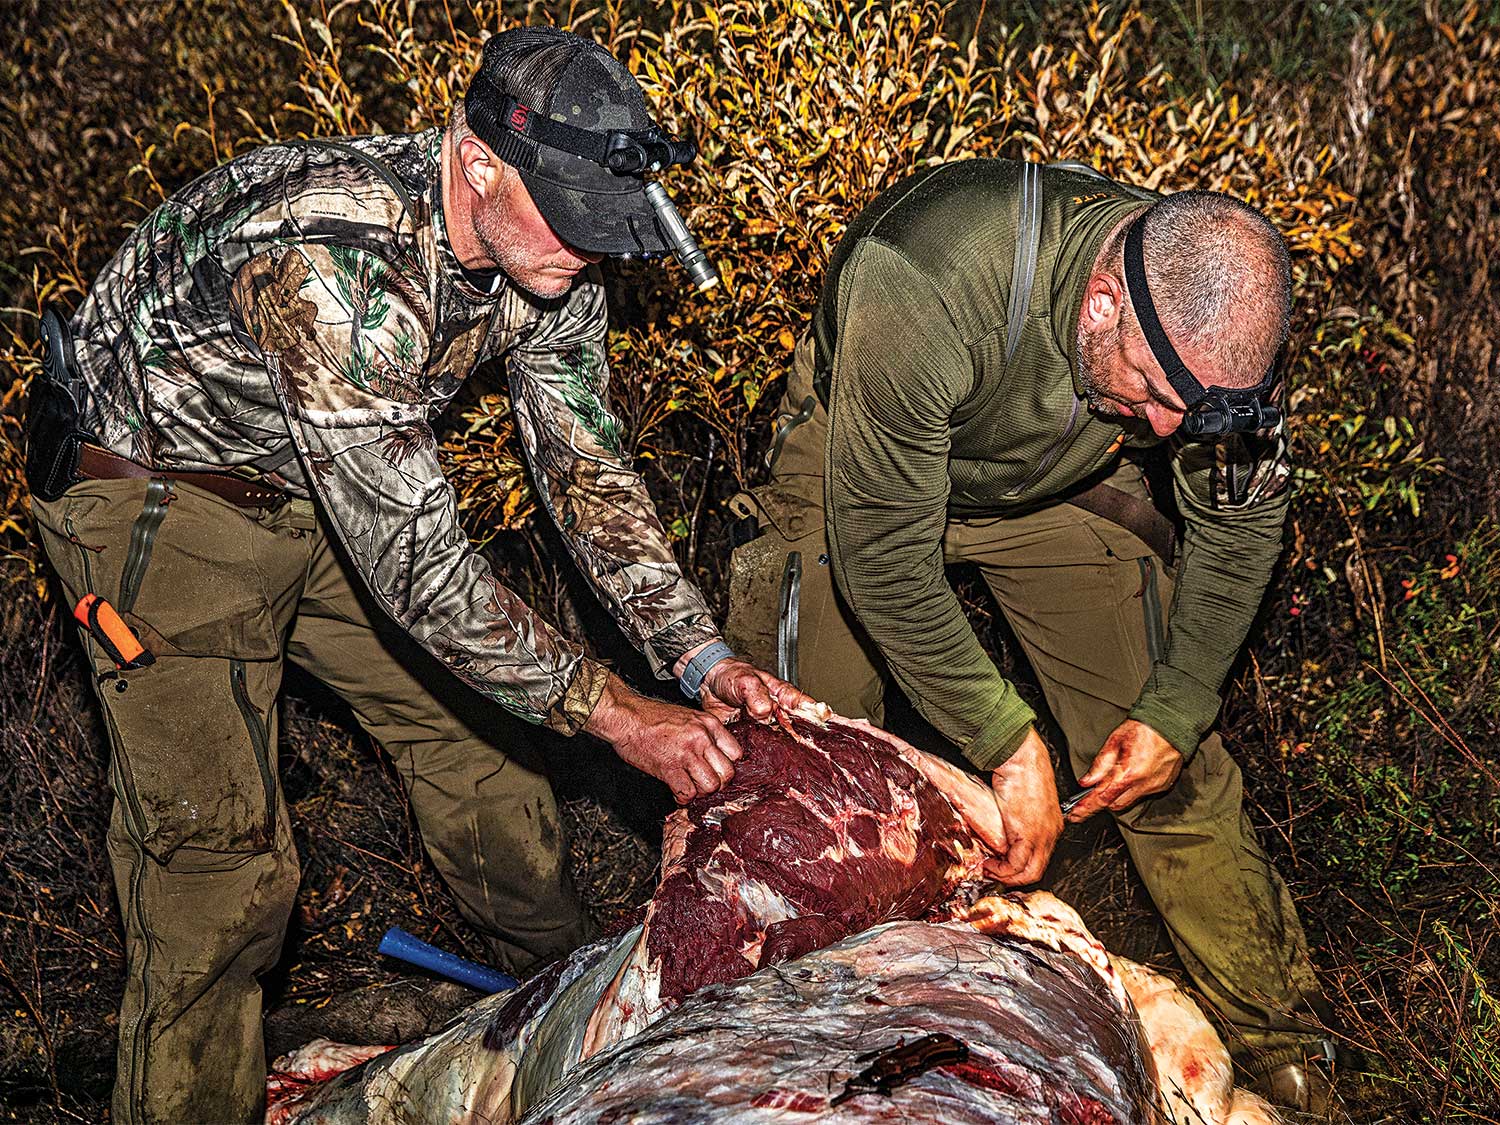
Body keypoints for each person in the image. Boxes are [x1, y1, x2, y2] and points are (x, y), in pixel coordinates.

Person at [27, 27, 807, 1124]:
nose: (585, 252)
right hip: (154, 506)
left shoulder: (546, 255)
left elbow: (588, 473)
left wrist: (695, 653)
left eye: (605, 224)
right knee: (219, 868)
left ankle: (579, 1014)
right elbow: (422, 574)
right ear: (477, 161)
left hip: (318, 487)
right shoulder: (332, 264)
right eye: (573, 220)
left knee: (484, 744)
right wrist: (619, 713)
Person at [725, 160, 1341, 1114]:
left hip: (1054, 481)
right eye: (1154, 390)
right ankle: (801, 1060)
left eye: (1198, 412)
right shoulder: (926, 278)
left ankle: (1286, 1046)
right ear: (1102, 301)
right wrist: (1005, 741)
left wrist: (1176, 706)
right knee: (814, 779)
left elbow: (1241, 521)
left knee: (1159, 754)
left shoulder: (1210, 339)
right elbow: (883, 551)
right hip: (866, 476)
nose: (1173, 428)